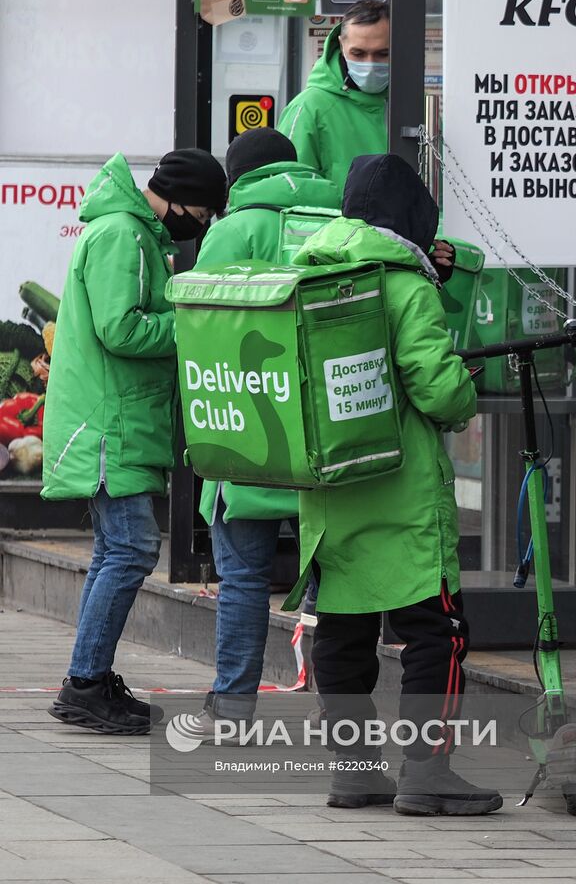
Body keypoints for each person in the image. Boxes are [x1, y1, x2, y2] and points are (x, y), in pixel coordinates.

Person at [283, 154, 503, 817]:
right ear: (413, 214)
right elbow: (438, 390)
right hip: (402, 494)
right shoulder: (406, 284)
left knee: (344, 628)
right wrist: (466, 394)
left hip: (331, 490)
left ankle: (353, 772)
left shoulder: (305, 275)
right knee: (438, 631)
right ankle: (426, 770)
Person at [43, 148, 227, 735]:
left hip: (115, 418)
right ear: (173, 198)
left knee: (114, 552)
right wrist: (193, 321)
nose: (201, 223)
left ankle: (88, 678)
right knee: (131, 550)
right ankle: (85, 685)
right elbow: (119, 328)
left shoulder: (135, 232)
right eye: (200, 212)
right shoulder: (123, 234)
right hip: (108, 423)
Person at [188, 128, 342, 736]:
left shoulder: (230, 230)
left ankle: (231, 706)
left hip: (246, 431)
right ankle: (340, 712)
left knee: (244, 579)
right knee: (337, 583)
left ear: (238, 177)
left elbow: (197, 329)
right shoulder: (339, 220)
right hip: (324, 434)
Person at [278, 0, 389, 193]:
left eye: (382, 53)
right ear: (341, 44)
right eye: (358, 53)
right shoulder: (309, 108)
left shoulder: (415, 106)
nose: (370, 65)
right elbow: (290, 191)